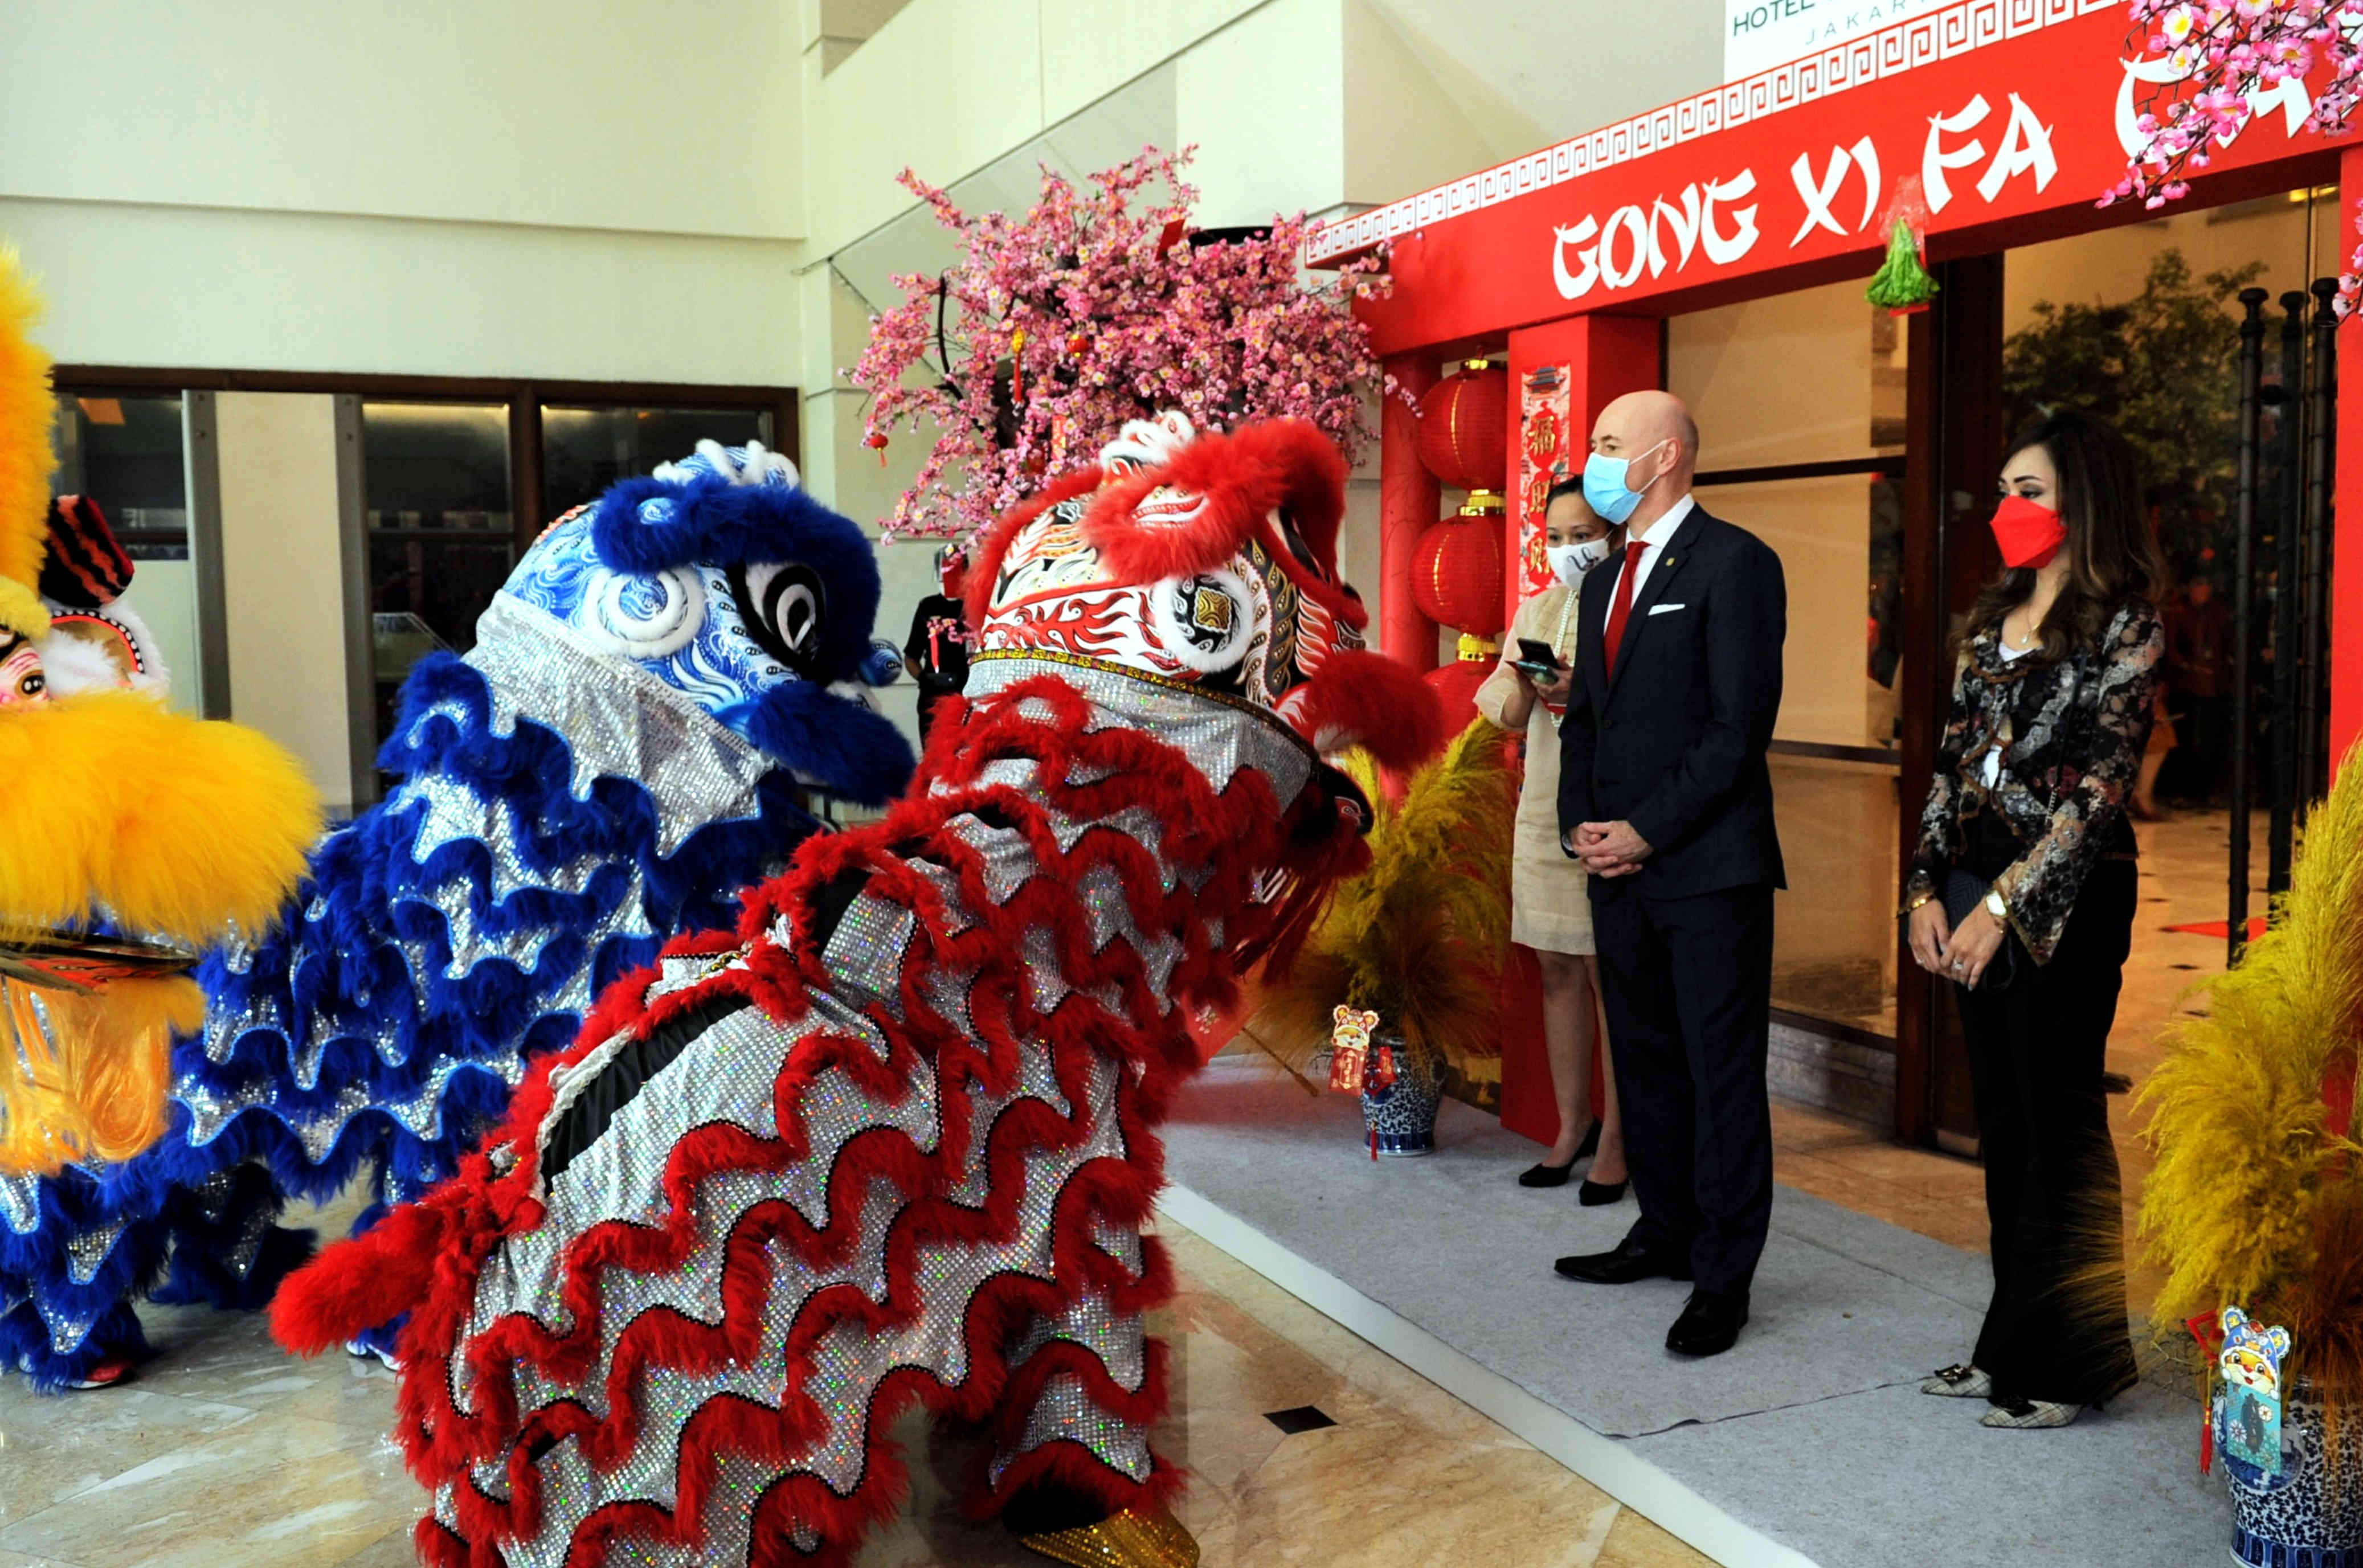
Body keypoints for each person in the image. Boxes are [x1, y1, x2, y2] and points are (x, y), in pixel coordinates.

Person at [1903, 410, 2162, 1430]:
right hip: (1969, 889)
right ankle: (2007, 1339)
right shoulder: (1988, 620)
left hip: (2067, 900)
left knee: (2058, 1120)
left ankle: (2076, 1362)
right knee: (2002, 1124)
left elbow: (2101, 787)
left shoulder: (2125, 622)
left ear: (2082, 501)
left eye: (2030, 490)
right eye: (2005, 489)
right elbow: (1948, 764)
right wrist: (1921, 890)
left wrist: (2007, 907)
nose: (2007, 510)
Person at [1551, 390, 1787, 1360]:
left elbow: (1736, 729)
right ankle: (1664, 1229)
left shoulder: (1735, 564)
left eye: (1609, 443)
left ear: (1664, 455)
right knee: (1644, 1058)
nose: (1594, 458)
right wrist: (1582, 828)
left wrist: (1645, 829)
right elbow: (1584, 722)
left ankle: (1722, 1275)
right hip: (1616, 867)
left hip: (1705, 868)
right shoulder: (1604, 578)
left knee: (1718, 1067)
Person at [1475, 480, 1628, 1202]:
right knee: (1557, 968)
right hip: (1544, 807)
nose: (1570, 550)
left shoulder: (1632, 602)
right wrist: (1530, 685)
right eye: (1557, 537)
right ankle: (1572, 1125)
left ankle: (1620, 1143)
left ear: (1615, 532)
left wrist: (1584, 689)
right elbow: (1503, 708)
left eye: (1582, 533)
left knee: (1612, 977)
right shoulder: (1538, 606)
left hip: (1613, 811)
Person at [2165, 574, 2230, 804]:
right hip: (2186, 686)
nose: (2203, 590)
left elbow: (2226, 645)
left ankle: (2209, 791)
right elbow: (2171, 650)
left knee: (2212, 738)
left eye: (2206, 585)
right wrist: (2189, 668)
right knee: (2185, 738)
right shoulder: (2178, 613)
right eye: (2198, 585)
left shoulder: (2218, 614)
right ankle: (2183, 791)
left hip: (2213, 685)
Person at [905, 541, 973, 746]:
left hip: (967, 695)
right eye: (946, 567)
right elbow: (911, 656)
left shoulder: (975, 604)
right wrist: (925, 679)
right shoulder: (928, 606)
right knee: (933, 757)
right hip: (933, 697)